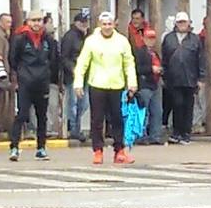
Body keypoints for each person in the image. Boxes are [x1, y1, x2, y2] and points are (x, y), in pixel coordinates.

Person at [73, 11, 137, 165]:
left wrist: (132, 83)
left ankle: (119, 150)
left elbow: (129, 62)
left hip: (116, 85)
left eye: (109, 24)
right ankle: (98, 151)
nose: (107, 27)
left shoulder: (122, 41)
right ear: (99, 25)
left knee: (117, 119)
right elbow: (82, 63)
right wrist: (78, 83)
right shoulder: (91, 41)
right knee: (97, 120)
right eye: (104, 24)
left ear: (114, 24)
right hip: (97, 85)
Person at [8, 10, 59, 161]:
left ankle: (41, 148)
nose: (36, 24)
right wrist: (21, 74)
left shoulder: (48, 39)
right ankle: (15, 147)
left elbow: (54, 60)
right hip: (25, 83)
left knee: (41, 116)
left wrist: (50, 76)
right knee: (22, 115)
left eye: (39, 20)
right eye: (33, 20)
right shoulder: (20, 38)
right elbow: (13, 59)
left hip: (42, 83)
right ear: (28, 22)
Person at [161, 12, 203, 145]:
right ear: (176, 24)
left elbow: (201, 59)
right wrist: (164, 76)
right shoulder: (168, 38)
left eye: (184, 22)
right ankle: (176, 132)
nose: (182, 25)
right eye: (179, 22)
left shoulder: (195, 39)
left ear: (189, 23)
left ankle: (186, 133)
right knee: (176, 105)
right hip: (173, 79)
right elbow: (165, 59)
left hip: (190, 78)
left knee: (188, 106)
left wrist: (201, 78)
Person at [60, 9, 91, 142]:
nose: (85, 24)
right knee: (73, 103)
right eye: (82, 21)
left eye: (86, 21)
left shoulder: (88, 37)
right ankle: (74, 128)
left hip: (86, 75)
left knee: (83, 104)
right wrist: (73, 69)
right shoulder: (70, 36)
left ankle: (76, 127)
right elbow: (64, 57)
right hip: (73, 75)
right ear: (76, 22)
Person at [133, 27, 164, 146]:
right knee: (143, 112)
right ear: (143, 38)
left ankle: (155, 136)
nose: (151, 41)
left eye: (153, 38)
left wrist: (160, 71)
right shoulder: (139, 52)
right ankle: (141, 136)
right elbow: (137, 68)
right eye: (148, 38)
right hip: (144, 84)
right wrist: (151, 69)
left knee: (157, 111)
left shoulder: (154, 53)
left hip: (155, 84)